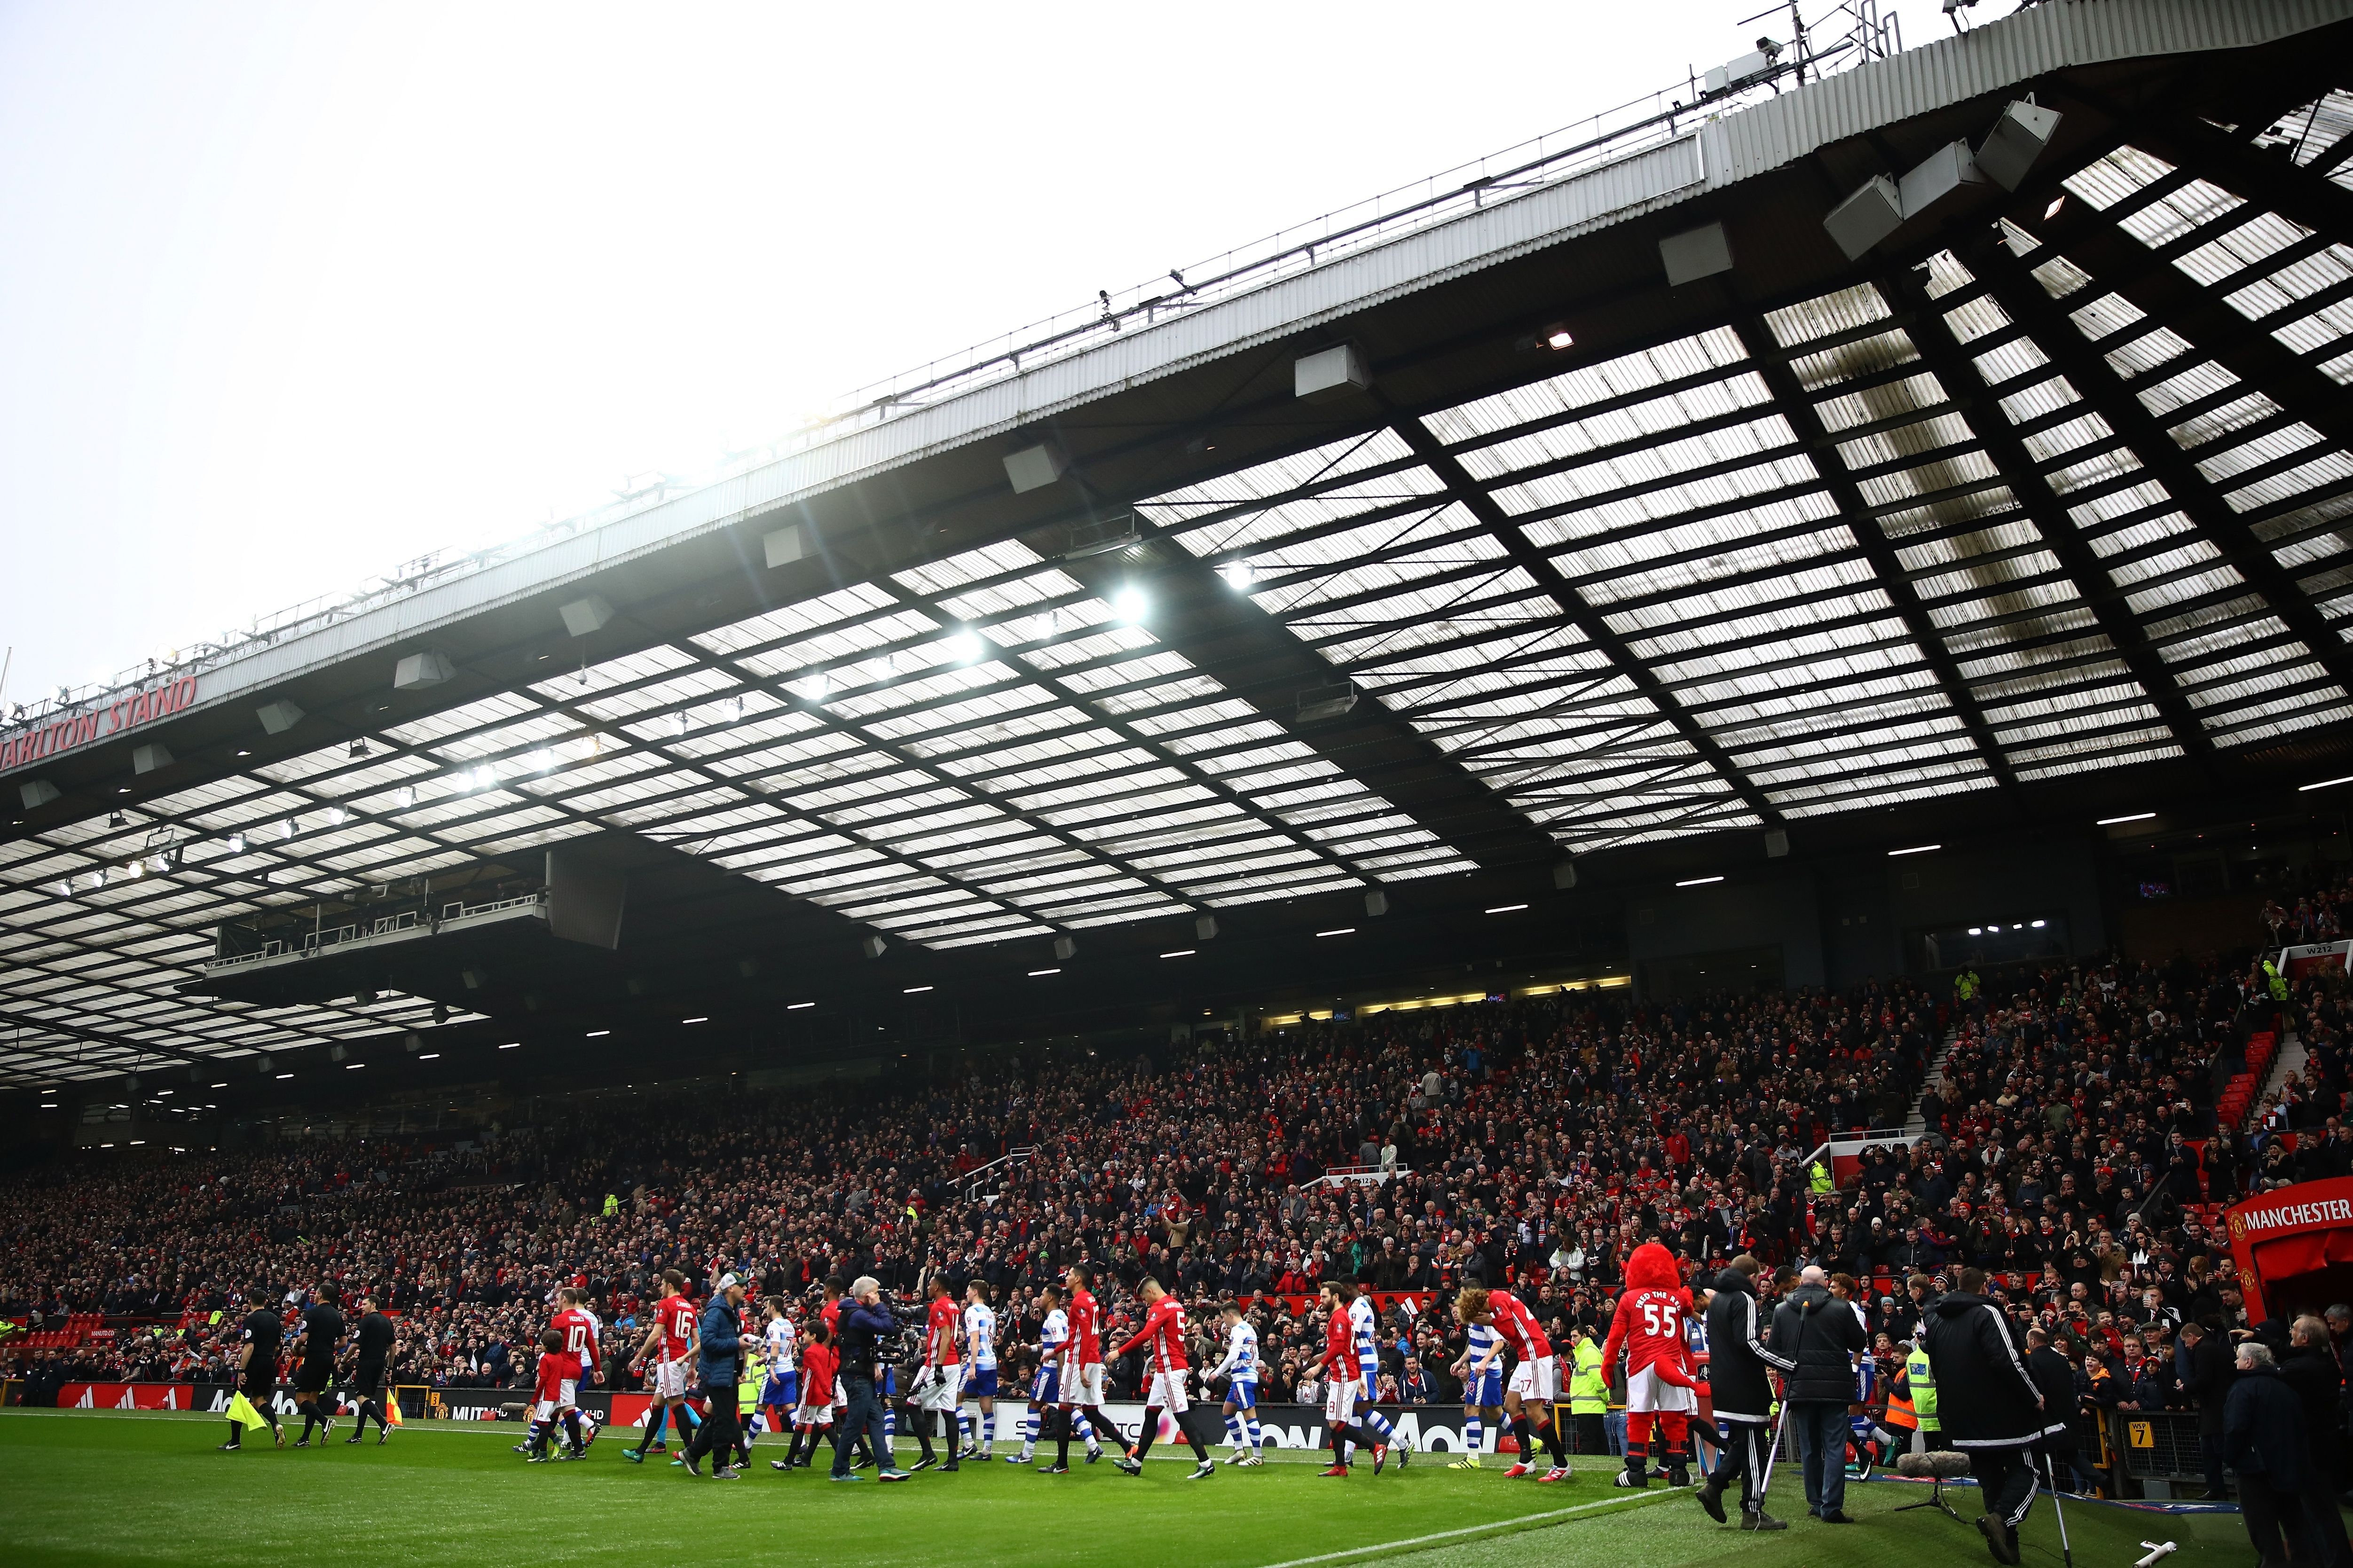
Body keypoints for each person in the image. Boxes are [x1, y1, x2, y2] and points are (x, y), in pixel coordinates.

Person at [1922, 1267, 2045, 1565]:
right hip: (2001, 1413)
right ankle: (2003, 1520)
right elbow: (2008, 1360)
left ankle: (2007, 1542)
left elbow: (1935, 1365)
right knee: (2030, 1469)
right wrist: (2034, 1396)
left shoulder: (1936, 1319)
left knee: (1990, 1478)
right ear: (1984, 1288)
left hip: (1959, 1415)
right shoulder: (1988, 1312)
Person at [1695, 1254, 1791, 1532]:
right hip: (1744, 1385)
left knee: (1742, 1444)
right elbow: (1749, 1343)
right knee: (1754, 1448)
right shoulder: (1744, 1300)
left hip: (1723, 1382)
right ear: (1753, 1277)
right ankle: (1752, 1511)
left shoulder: (1717, 1302)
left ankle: (1714, 1487)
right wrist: (1786, 1363)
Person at [1769, 1263, 1866, 1525]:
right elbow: (1859, 1343)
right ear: (1824, 1282)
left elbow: (1773, 1350)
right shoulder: (1840, 1308)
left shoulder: (1781, 1310)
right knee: (1834, 1447)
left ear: (1801, 1282)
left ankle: (1816, 1502)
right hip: (1834, 1388)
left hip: (1800, 1387)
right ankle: (1831, 1506)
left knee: (1810, 1448)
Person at [1605, 1240, 1697, 1489]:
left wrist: (1608, 1365)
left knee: (1640, 1417)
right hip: (1672, 1362)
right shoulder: (1676, 1298)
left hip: (1641, 1364)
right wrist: (1685, 1292)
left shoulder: (1629, 1298)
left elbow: (1615, 1336)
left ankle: (1636, 1470)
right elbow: (1688, 1307)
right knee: (1674, 1417)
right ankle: (1679, 1470)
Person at [2228, 1341, 2326, 1567]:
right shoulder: (2286, 1389)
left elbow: (2235, 1428)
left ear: (2249, 1362)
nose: (2236, 1362)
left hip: (2254, 1469)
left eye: (2239, 1358)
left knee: (2263, 1529)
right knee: (2295, 1524)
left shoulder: (2243, 1389)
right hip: (2288, 1466)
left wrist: (2232, 1458)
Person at [1109, 1276, 1215, 1480]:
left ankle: (1206, 1462)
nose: (1147, 1305)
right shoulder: (1176, 1305)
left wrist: (1119, 1351)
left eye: (1145, 1299)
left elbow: (1147, 1334)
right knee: (1151, 1414)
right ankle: (1136, 1462)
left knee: (1182, 1416)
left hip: (1170, 1369)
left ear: (1150, 1293)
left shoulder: (1161, 1307)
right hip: (1165, 1370)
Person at [2279, 1315, 2350, 1567]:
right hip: (2320, 1446)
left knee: (2321, 1512)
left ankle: (2336, 1561)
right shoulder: (2323, 1362)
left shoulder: (2301, 1368)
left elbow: (2279, 1371)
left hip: (2313, 1449)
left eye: (2295, 1330)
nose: (2291, 1333)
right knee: (2318, 1511)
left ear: (2305, 1338)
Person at [1006, 1284, 1100, 1466]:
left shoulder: (1053, 1319)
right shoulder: (1060, 1317)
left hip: (1051, 1369)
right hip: (1056, 1367)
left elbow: (1059, 1346)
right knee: (1068, 1407)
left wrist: (1060, 1371)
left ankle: (1027, 1453)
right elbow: (1053, 1344)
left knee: (1034, 1405)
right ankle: (1093, 1445)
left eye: (1042, 1295)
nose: (1039, 1298)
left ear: (1050, 1298)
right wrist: (1032, 1348)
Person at [831, 1275, 910, 1482]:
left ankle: (886, 1466)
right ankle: (839, 1470)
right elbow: (888, 1327)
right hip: (856, 1375)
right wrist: (879, 1307)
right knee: (855, 1425)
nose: (879, 1297)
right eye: (875, 1293)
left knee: (876, 1418)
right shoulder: (857, 1314)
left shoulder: (854, 1312)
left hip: (860, 1372)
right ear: (867, 1295)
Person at [1049, 1264, 1122, 1475]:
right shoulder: (1090, 1299)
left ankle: (1062, 1464)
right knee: (1091, 1412)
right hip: (1090, 1359)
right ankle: (1128, 1448)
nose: (1067, 1278)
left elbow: (1086, 1337)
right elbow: (1081, 1336)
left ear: (1079, 1279)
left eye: (1070, 1275)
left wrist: (1080, 1369)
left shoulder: (1079, 1302)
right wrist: (1056, 1351)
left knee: (1064, 1409)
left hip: (1080, 1360)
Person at [1492, 1281, 1569, 1479]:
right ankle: (1526, 1460)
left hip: (1534, 1353)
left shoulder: (1496, 1299)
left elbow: (1508, 1329)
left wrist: (1490, 1321)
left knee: (1535, 1410)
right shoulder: (1498, 1301)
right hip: (1525, 1355)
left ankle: (1562, 1464)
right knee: (1511, 1404)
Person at [622, 1269, 696, 1463]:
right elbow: (696, 1340)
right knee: (658, 1406)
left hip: (669, 1360)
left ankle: (691, 1453)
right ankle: (641, 1451)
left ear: (669, 1286)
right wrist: (693, 1367)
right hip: (681, 1360)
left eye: (662, 1284)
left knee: (677, 1406)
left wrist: (638, 1358)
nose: (661, 1288)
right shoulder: (689, 1307)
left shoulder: (666, 1304)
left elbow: (655, 1335)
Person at [681, 1272, 746, 1478]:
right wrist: (737, 1343)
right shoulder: (718, 1312)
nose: (745, 1289)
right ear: (730, 1289)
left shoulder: (729, 1310)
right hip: (718, 1373)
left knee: (721, 1419)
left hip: (727, 1372)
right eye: (741, 1286)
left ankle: (692, 1454)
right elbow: (707, 1342)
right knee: (725, 1420)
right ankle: (720, 1466)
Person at [1349, 1278, 1409, 1468]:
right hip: (1366, 1362)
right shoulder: (1363, 1305)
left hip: (1362, 1363)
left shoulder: (1357, 1308)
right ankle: (1346, 1457)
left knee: (1364, 1410)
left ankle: (1401, 1442)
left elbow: (1352, 1337)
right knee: (1355, 1410)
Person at [219, 1288, 285, 1451]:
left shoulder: (251, 1320)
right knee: (260, 1400)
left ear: (250, 1302)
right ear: (266, 1302)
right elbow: (278, 1345)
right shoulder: (275, 1319)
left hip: (254, 1362)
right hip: (269, 1361)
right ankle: (276, 1425)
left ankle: (235, 1441)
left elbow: (249, 1346)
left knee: (239, 1399)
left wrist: (242, 1370)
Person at [909, 1276, 962, 1472]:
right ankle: (952, 1460)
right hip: (954, 1364)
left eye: (930, 1285)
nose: (928, 1288)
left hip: (938, 1363)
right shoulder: (954, 1306)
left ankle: (928, 1453)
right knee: (949, 1411)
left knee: (912, 1403)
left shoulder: (939, 1307)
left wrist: (938, 1366)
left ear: (937, 1286)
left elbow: (946, 1336)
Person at [1450, 1286, 1505, 1470]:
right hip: (1483, 1368)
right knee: (1494, 1413)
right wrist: (1460, 1361)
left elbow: (1499, 1342)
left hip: (1485, 1371)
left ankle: (1473, 1458)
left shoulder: (1484, 1318)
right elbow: (1474, 1346)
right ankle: (1529, 1441)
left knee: (1471, 1410)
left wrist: (1484, 1362)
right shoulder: (1473, 1319)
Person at [1209, 1299, 1265, 1465]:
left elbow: (1233, 1355)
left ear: (1230, 1315)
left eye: (1223, 1317)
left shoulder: (1238, 1330)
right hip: (1242, 1377)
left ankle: (1258, 1456)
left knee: (1249, 1415)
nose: (1223, 1322)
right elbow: (1256, 1354)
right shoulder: (1250, 1329)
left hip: (1243, 1378)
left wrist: (1216, 1373)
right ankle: (1239, 1450)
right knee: (1228, 1411)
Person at [774, 1317, 834, 1471]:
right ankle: (843, 1458)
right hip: (825, 1397)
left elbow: (817, 1373)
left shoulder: (810, 1352)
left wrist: (825, 1388)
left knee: (800, 1427)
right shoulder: (827, 1352)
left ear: (813, 1336)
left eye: (806, 1333)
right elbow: (832, 1369)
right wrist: (829, 1390)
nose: (804, 1336)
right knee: (827, 1427)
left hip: (812, 1395)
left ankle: (788, 1462)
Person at [289, 1286, 344, 1448]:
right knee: (313, 1399)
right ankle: (305, 1438)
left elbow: (303, 1337)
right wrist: (327, 1348)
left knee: (300, 1399)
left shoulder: (312, 1313)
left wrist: (296, 1348)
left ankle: (325, 1422)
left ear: (319, 1295)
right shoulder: (337, 1315)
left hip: (313, 1359)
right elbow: (343, 1342)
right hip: (328, 1359)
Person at [1316, 1279, 1360, 1478]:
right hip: (1341, 1374)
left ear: (1336, 1297)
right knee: (1333, 1421)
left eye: (1324, 1296)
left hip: (1344, 1376)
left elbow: (1340, 1347)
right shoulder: (1338, 1316)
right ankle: (1340, 1466)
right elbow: (1350, 1349)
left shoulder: (1340, 1318)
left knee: (1337, 1423)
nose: (1321, 1300)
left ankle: (1375, 1447)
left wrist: (1320, 1365)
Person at [520, 1328, 582, 1462]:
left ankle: (544, 1453)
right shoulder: (560, 1358)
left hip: (546, 1394)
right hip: (556, 1394)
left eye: (542, 1344)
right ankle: (552, 1442)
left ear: (547, 1346)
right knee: (544, 1422)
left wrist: (535, 1397)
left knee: (541, 1423)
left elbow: (543, 1379)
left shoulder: (546, 1359)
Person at [344, 1292, 397, 1446]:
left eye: (365, 1304)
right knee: (366, 1398)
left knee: (361, 1398)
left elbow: (355, 1345)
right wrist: (390, 1368)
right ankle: (358, 1435)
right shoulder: (387, 1322)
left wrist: (343, 1362)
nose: (362, 1307)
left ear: (373, 1305)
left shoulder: (366, 1322)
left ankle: (384, 1425)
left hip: (366, 1362)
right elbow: (393, 1346)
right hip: (380, 1362)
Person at [958, 1281, 999, 1461]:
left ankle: (968, 1443)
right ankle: (987, 1450)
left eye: (968, 1290)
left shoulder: (972, 1311)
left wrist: (972, 1365)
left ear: (975, 1292)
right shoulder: (990, 1313)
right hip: (991, 1363)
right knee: (987, 1407)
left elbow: (974, 1339)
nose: (966, 1294)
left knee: (956, 1401)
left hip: (979, 1362)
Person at [756, 1297, 799, 1456]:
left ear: (773, 1307)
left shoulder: (773, 1325)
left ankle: (747, 1444)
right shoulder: (789, 1325)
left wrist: (772, 1368)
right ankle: (801, 1443)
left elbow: (775, 1346)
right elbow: (782, 1349)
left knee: (761, 1406)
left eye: (768, 1306)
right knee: (790, 1406)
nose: (766, 1309)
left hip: (778, 1370)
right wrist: (765, 1358)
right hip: (789, 1369)